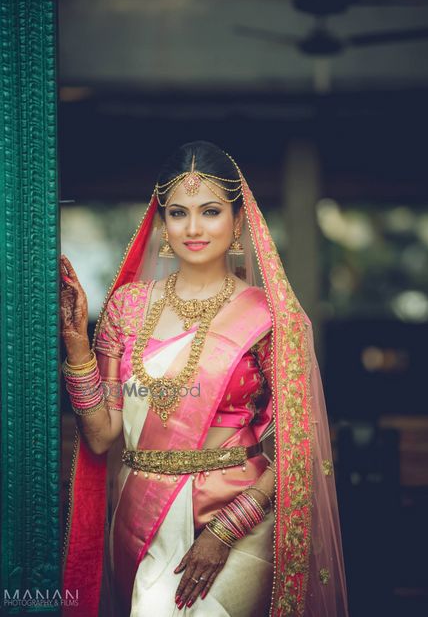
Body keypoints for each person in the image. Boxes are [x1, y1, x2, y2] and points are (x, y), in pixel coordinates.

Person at [61, 141, 348, 617]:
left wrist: (227, 527)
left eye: (210, 211)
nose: (193, 228)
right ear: (162, 222)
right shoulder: (127, 307)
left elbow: (304, 445)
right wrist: (76, 347)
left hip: (240, 515)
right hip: (142, 515)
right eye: (178, 213)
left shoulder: (270, 317)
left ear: (237, 221)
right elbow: (101, 435)